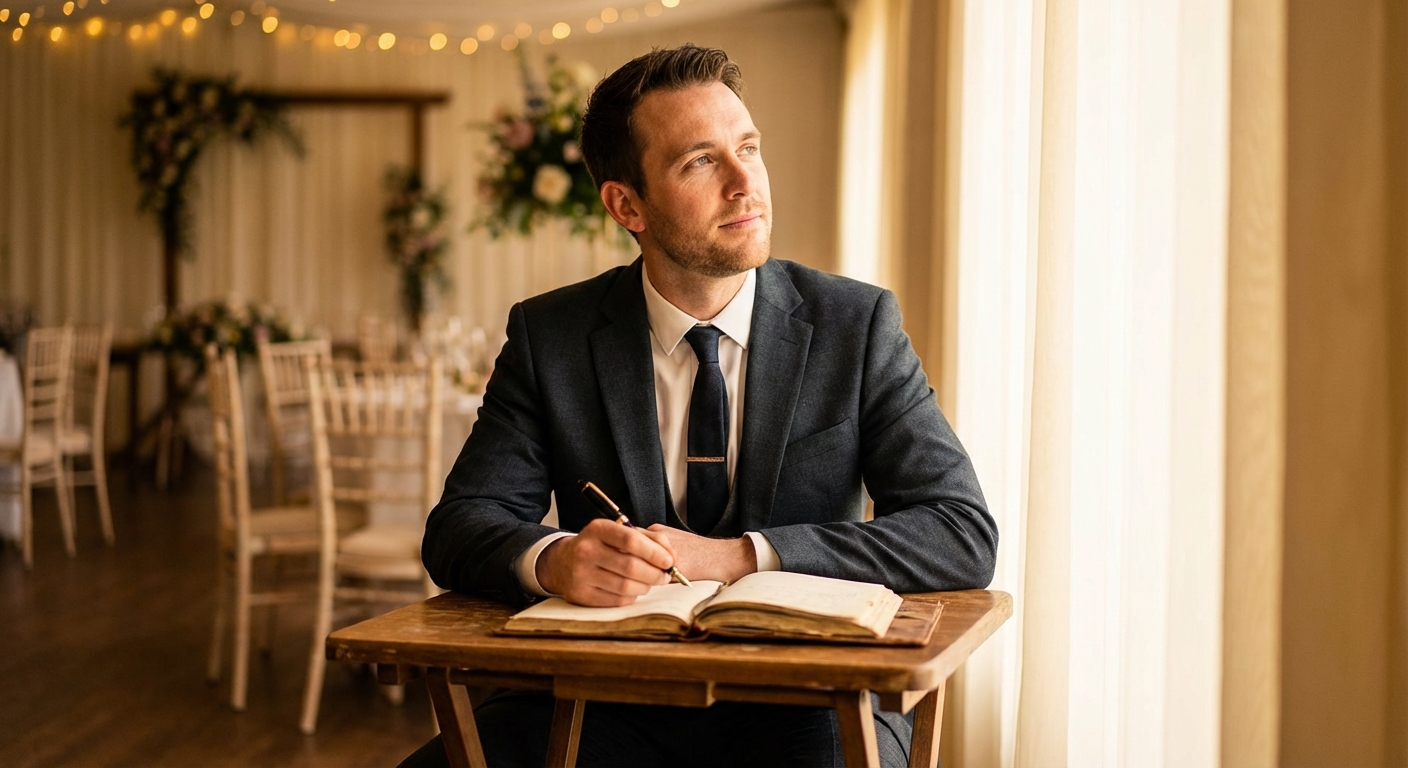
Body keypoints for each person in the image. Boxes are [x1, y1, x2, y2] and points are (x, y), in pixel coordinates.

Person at [405, 44, 997, 768]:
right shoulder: (550, 336)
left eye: (748, 147)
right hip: (598, 698)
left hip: (809, 701)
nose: (746, 182)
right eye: (700, 162)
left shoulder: (858, 325)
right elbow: (459, 527)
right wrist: (555, 560)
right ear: (627, 204)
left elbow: (959, 531)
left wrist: (741, 556)